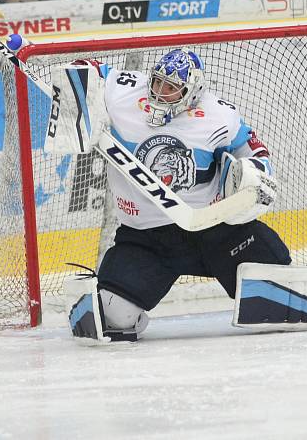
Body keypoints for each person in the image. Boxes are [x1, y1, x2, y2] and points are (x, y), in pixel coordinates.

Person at [66, 49, 289, 342]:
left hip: (218, 232)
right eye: (157, 82)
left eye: (171, 88)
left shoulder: (219, 114)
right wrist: (77, 84)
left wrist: (256, 173)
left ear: (192, 91)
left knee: (278, 300)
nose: (160, 92)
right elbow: (88, 70)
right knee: (112, 317)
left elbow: (253, 151)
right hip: (147, 239)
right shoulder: (126, 92)